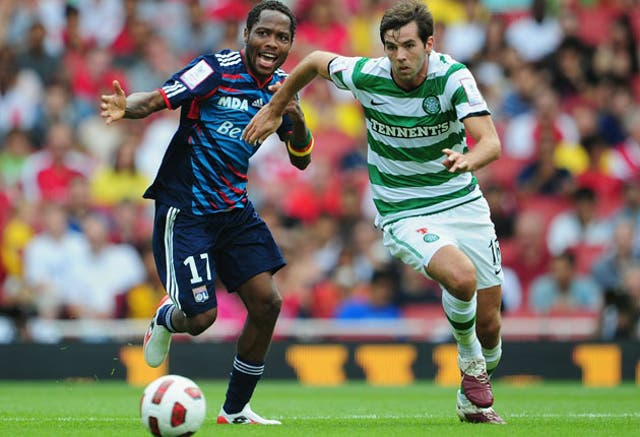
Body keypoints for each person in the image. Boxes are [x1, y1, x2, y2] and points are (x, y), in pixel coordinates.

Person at [244, 0, 505, 424]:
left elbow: (490, 141)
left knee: (491, 324)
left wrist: (470, 161)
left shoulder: (453, 78)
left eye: (407, 46)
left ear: (429, 44)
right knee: (461, 278)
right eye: (390, 46)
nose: (399, 56)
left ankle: (471, 391)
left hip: (462, 200)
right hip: (402, 209)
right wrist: (276, 108)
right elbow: (312, 61)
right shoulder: (369, 74)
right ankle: (471, 363)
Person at [100, 0, 312, 425]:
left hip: (234, 211)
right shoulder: (214, 69)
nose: (271, 43)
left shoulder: (284, 87)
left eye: (281, 37)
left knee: (268, 303)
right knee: (201, 319)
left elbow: (302, 157)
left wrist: (294, 115)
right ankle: (167, 315)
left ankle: (235, 410)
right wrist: (129, 107)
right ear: (246, 35)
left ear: (289, 44)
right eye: (264, 33)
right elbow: (159, 98)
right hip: (187, 211)